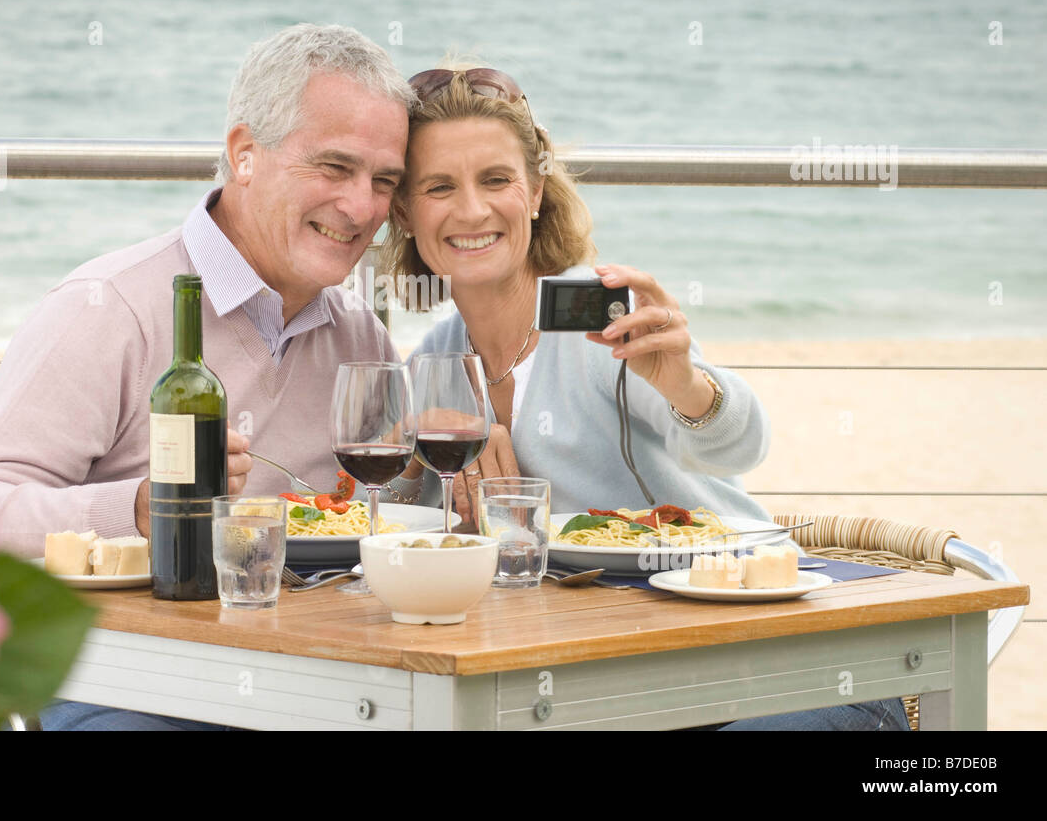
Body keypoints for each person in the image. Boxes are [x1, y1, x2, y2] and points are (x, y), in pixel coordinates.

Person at [381, 65, 909, 732]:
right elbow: (406, 535)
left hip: (780, 658)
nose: (472, 210)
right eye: (438, 187)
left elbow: (736, 447)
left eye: (496, 179)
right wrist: (412, 460)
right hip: (625, 675)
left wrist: (684, 381)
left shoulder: (588, 312)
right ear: (404, 212)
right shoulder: (434, 356)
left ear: (536, 192)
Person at [0, 23, 416, 729]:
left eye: (383, 181)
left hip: (310, 678)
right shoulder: (109, 307)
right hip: (127, 683)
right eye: (334, 168)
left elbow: (391, 511)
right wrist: (143, 509)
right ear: (245, 154)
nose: (362, 208)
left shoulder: (360, 336)